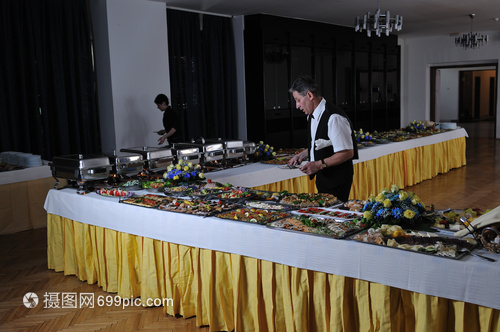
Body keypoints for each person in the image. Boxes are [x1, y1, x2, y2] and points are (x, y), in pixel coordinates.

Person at [287, 76, 358, 202]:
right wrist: (303, 155)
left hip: (337, 180)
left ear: (309, 95)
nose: (297, 106)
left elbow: (347, 152)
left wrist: (319, 164)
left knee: (333, 217)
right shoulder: (311, 115)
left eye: (298, 100)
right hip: (323, 178)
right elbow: (321, 144)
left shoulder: (334, 117)